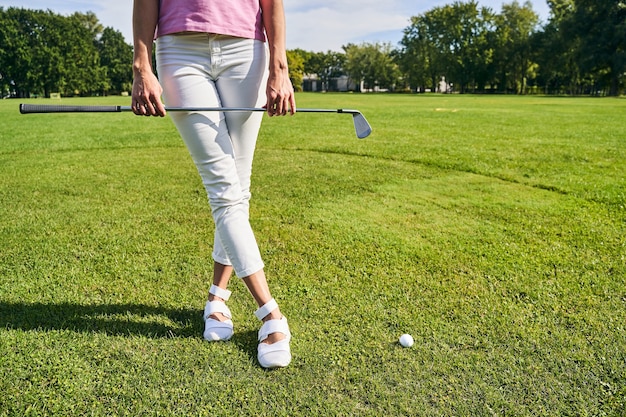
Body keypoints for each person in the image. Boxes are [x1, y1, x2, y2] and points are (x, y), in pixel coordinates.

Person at [131, 0, 296, 368]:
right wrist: (142, 66)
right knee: (223, 187)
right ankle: (270, 314)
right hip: (179, 49)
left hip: (247, 48)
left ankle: (217, 297)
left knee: (239, 186)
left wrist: (279, 66)